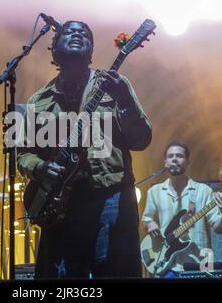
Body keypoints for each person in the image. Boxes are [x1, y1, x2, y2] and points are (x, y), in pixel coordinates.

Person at [17, 21, 152, 279]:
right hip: (60, 204)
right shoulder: (39, 100)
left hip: (109, 198)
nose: (78, 34)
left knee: (115, 272)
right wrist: (41, 168)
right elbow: (21, 154)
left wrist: (124, 101)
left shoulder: (115, 84)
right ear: (55, 49)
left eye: (85, 34)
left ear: (91, 52)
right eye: (70, 32)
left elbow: (141, 140)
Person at [142, 142, 222, 276]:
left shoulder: (203, 191)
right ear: (165, 162)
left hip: (199, 264)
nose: (174, 158)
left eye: (179, 156)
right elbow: (145, 220)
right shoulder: (154, 192)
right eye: (170, 156)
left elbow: (219, 229)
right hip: (166, 266)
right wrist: (149, 223)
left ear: (187, 161)